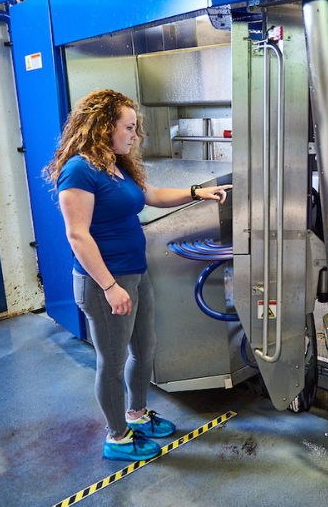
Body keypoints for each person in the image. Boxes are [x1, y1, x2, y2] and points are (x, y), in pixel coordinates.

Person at [44, 89, 231, 461]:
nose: (135, 135)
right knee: (111, 364)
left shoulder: (116, 163)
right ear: (102, 127)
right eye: (129, 127)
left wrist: (198, 192)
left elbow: (153, 194)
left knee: (144, 349)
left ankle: (137, 413)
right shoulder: (79, 169)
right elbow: (77, 234)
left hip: (135, 273)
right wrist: (110, 286)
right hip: (105, 284)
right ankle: (116, 437)